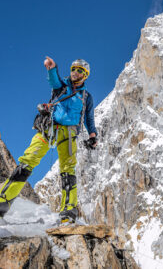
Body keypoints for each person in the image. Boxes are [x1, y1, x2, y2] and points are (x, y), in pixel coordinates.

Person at [0, 57, 97, 223]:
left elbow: (89, 118)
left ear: (85, 75)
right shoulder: (62, 85)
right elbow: (53, 80)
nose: (75, 72)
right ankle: (3, 201)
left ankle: (69, 210)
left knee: (68, 169)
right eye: (74, 69)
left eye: (80, 70)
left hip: (68, 133)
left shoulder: (86, 97)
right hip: (49, 128)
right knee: (27, 161)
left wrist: (93, 135)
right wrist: (52, 69)